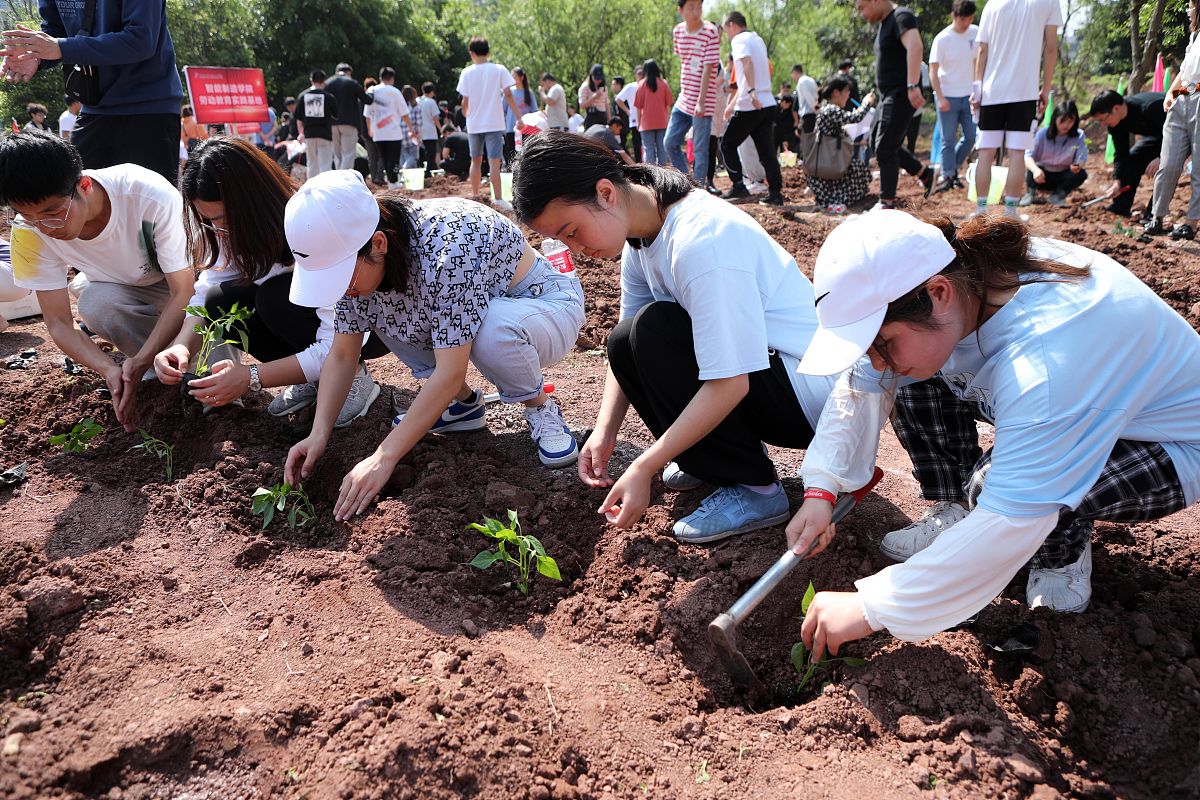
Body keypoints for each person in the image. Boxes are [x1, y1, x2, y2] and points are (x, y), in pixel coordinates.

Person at [788, 209, 1200, 662]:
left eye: (880, 342)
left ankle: (1060, 556)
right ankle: (953, 509)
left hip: (1170, 445)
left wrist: (872, 606)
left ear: (939, 293)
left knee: (992, 485)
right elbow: (863, 385)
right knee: (908, 373)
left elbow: (1012, 517)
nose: (877, 360)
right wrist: (822, 489)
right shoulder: (961, 280)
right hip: (1088, 405)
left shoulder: (1046, 361)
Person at [514, 131, 840, 543]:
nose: (575, 249)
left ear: (605, 193)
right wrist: (605, 432)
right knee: (626, 338)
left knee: (653, 329)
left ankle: (755, 488)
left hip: (808, 396)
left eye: (572, 231)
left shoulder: (701, 240)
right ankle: (710, 458)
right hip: (766, 377)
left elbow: (730, 382)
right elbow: (627, 350)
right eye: (563, 241)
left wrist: (644, 466)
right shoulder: (641, 239)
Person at [283, 170, 586, 520]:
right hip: (481, 312)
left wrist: (384, 457)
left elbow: (449, 369)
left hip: (543, 308)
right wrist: (319, 433)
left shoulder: (448, 248)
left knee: (491, 329)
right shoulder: (362, 266)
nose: (342, 290)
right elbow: (342, 353)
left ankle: (539, 407)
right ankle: (466, 407)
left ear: (378, 244)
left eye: (342, 278)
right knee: (389, 308)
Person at [153, 137, 385, 425]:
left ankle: (352, 376)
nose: (217, 228)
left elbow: (335, 340)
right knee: (220, 300)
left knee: (273, 296)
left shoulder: (308, 226)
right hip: (313, 324)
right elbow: (206, 291)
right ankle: (312, 378)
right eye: (208, 220)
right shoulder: (223, 231)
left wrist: (251, 377)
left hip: (366, 329)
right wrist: (182, 347)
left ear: (252, 201)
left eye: (223, 218)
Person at [0, 132, 193, 431]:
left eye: (53, 213)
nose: (46, 228)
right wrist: (109, 369)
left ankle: (172, 364)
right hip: (120, 284)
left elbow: (184, 291)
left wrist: (140, 360)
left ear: (84, 186)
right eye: (29, 216)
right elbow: (59, 322)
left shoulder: (145, 196)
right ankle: (158, 372)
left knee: (210, 381)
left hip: (184, 282)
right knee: (96, 303)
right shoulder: (29, 230)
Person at [1, 0, 184, 186]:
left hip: (149, 107)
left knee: (148, 209)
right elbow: (56, 32)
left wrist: (61, 47)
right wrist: (34, 54)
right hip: (94, 107)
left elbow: (141, 39)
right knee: (77, 199)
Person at [972, 0, 1062, 217]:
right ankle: (1010, 212)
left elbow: (982, 51)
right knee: (1017, 153)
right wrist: (1046, 88)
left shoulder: (992, 5)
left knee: (985, 152)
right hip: (1025, 91)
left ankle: (980, 210)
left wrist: (977, 89)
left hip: (991, 91)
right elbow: (1051, 49)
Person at [856, 0, 935, 208]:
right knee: (877, 142)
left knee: (885, 148)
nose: (861, 14)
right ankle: (925, 174)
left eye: (862, 7)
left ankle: (886, 202)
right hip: (887, 94)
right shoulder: (886, 23)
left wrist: (912, 85)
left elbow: (915, 46)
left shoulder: (901, 16)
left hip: (901, 92)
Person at [719, 11, 785, 206]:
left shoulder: (739, 40)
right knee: (767, 153)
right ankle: (775, 194)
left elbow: (747, 64)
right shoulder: (758, 40)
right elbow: (745, 77)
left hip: (751, 104)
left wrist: (753, 92)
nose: (727, 35)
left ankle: (738, 186)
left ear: (732, 25)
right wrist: (731, 105)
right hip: (767, 104)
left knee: (727, 144)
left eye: (725, 30)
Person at [1147, 3, 1200, 241]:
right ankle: (1157, 217)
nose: (1187, 11)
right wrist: (1171, 92)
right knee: (1168, 164)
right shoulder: (1195, 34)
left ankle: (1191, 222)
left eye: (1190, 6)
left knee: (1199, 167)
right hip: (1183, 96)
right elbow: (1185, 69)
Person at [456, 37, 523, 210]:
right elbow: (508, 95)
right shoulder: (499, 69)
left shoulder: (466, 72)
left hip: (474, 124)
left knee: (475, 160)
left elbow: (464, 101)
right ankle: (499, 198)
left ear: (472, 53)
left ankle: (476, 194)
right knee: (494, 162)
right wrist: (519, 117)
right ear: (488, 52)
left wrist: (467, 116)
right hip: (494, 122)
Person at [665, 0, 721, 184]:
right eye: (691, 7)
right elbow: (684, 60)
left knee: (700, 149)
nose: (696, 11)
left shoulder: (711, 32)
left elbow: (708, 68)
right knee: (670, 142)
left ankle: (698, 188)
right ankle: (688, 181)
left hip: (703, 100)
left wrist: (701, 101)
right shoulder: (678, 31)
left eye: (699, 6)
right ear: (680, 10)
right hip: (684, 98)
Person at [1088, 89, 1167, 219]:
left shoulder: (1150, 107)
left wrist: (1161, 157)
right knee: (1131, 161)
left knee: (1168, 169)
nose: (1103, 125)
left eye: (1103, 119)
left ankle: (1154, 215)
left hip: (1182, 133)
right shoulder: (1115, 124)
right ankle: (1120, 207)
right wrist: (1117, 181)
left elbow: (1177, 135)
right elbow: (1121, 154)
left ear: (1116, 108)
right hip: (1157, 136)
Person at [929, 1, 978, 193]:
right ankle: (948, 175)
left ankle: (951, 168)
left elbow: (981, 59)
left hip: (969, 95)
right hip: (947, 94)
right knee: (947, 139)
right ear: (954, 16)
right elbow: (933, 70)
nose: (967, 22)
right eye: (963, 18)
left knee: (971, 136)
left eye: (970, 18)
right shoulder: (942, 39)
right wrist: (940, 97)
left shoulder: (976, 33)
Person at [807, 78, 876, 212]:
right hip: (828, 164)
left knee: (858, 167)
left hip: (825, 162)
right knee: (858, 169)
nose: (848, 95)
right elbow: (855, 118)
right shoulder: (831, 109)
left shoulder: (826, 109)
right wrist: (866, 103)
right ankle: (836, 200)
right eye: (846, 91)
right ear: (836, 93)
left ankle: (833, 199)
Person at [1021, 100, 1088, 207]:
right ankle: (1030, 194)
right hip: (1042, 176)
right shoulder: (1042, 134)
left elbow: (1082, 157)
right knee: (1032, 167)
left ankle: (1058, 196)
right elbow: (1028, 156)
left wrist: (1078, 165)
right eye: (1062, 121)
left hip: (1063, 176)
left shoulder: (1079, 136)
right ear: (1055, 118)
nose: (1066, 125)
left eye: (1070, 121)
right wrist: (1035, 170)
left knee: (1081, 174)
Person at [366, 67, 419, 189]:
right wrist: (411, 130)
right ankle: (393, 182)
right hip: (393, 132)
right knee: (393, 158)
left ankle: (391, 181)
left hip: (378, 133)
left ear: (380, 78)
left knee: (384, 159)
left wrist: (370, 129)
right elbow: (404, 114)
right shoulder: (395, 92)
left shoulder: (372, 91)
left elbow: (367, 114)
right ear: (392, 78)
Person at [324, 63, 374, 170]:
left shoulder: (327, 83)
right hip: (349, 123)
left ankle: (338, 178)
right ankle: (345, 180)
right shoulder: (351, 82)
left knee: (337, 155)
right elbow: (367, 100)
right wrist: (371, 93)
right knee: (348, 154)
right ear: (349, 72)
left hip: (331, 124)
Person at [296, 69, 339, 179]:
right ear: (324, 81)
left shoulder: (303, 96)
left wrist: (301, 133)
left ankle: (312, 188)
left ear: (311, 80)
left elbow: (299, 119)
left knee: (311, 162)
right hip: (325, 133)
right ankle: (324, 187)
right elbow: (336, 116)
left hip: (309, 134)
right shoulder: (329, 97)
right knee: (325, 163)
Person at [634, 59, 674, 166]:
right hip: (662, 122)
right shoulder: (664, 84)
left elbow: (638, 107)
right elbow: (668, 105)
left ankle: (651, 176)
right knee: (662, 148)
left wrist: (639, 123)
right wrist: (668, 119)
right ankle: (663, 175)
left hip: (646, 123)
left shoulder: (641, 85)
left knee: (648, 149)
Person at [503, 67, 539, 166]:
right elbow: (504, 109)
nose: (512, 78)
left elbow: (534, 111)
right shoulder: (509, 92)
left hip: (525, 129)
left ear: (522, 77)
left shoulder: (529, 92)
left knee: (525, 153)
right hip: (511, 128)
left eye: (514, 76)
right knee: (511, 153)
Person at [616, 67, 644, 161]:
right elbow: (618, 99)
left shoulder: (648, 85)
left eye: (643, 73)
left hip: (647, 120)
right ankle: (639, 164)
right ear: (635, 74)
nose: (641, 75)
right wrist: (628, 111)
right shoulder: (630, 87)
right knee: (637, 144)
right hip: (635, 119)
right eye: (639, 73)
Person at [417, 82, 442, 175]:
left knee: (421, 153)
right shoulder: (431, 102)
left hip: (419, 130)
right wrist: (440, 128)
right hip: (430, 131)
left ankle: (422, 170)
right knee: (431, 153)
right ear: (432, 91)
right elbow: (435, 118)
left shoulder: (417, 100)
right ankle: (429, 172)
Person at [399, 85, 423, 170]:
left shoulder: (400, 106)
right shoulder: (416, 106)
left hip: (400, 134)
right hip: (412, 134)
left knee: (404, 156)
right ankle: (405, 169)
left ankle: (402, 173)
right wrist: (419, 136)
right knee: (414, 156)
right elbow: (419, 123)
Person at [578, 64, 609, 129]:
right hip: (592, 117)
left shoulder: (604, 87)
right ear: (591, 76)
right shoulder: (585, 87)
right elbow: (582, 105)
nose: (598, 81)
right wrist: (594, 97)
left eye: (600, 78)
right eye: (596, 78)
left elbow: (606, 104)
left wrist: (609, 120)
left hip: (602, 118)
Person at [791, 64, 819, 132]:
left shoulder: (802, 82)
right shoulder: (811, 80)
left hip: (808, 114)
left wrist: (817, 111)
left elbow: (809, 98)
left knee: (807, 140)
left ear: (795, 72)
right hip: (814, 113)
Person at [610, 76, 630, 153]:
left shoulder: (623, 96)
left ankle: (627, 162)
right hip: (618, 125)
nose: (612, 86)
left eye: (613, 84)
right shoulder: (617, 96)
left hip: (621, 126)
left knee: (621, 145)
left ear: (619, 85)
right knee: (620, 145)